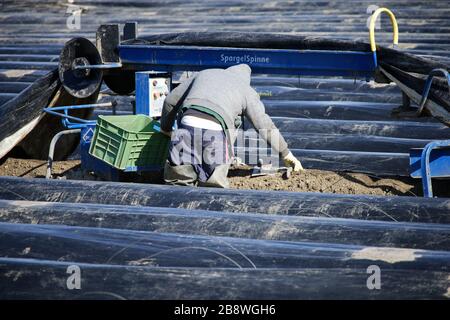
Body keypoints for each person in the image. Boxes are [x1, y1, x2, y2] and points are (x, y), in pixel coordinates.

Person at [160, 64, 303, 188]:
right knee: (212, 189)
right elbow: (264, 125)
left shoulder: (205, 74)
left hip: (187, 125)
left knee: (178, 184)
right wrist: (286, 154)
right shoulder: (246, 90)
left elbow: (170, 101)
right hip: (215, 133)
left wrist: (166, 129)